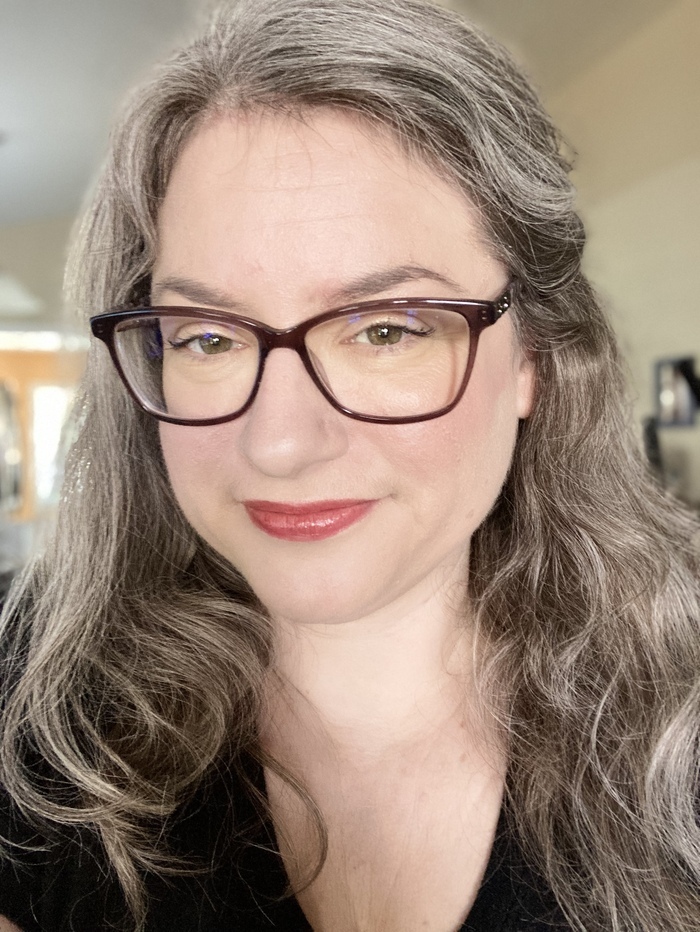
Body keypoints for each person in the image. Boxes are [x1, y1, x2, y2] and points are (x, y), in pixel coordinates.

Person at [1, 0, 699, 929]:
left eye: (386, 330)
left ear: (534, 355)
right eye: (208, 337)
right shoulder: (33, 717)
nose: (280, 444)